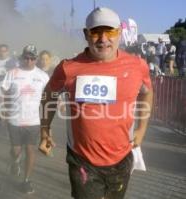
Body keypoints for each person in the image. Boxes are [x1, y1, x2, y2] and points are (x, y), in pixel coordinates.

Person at [39, 7, 153, 199]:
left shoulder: (137, 65)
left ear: (119, 33)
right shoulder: (68, 68)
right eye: (95, 32)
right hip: (82, 161)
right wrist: (44, 130)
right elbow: (48, 95)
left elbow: (147, 93)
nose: (103, 39)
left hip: (121, 158)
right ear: (86, 34)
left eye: (110, 32)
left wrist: (141, 129)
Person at [0, 44, 49, 194]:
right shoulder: (12, 73)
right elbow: (2, 88)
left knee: (30, 149)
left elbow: (50, 94)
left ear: (36, 59)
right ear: (22, 58)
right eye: (26, 58)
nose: (29, 61)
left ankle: (26, 180)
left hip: (33, 121)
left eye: (32, 58)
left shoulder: (42, 75)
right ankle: (16, 161)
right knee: (16, 150)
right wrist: (2, 106)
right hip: (15, 119)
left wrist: (57, 104)